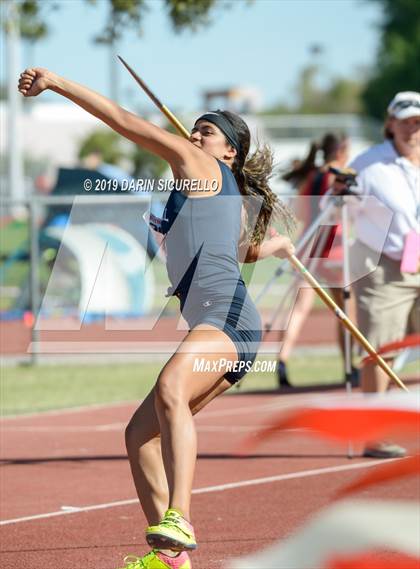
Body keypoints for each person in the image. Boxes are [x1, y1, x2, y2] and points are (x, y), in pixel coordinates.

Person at [18, 67, 295, 569]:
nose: (193, 136)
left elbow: (124, 122)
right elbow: (235, 250)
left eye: (205, 131)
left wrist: (58, 83)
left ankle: (179, 518)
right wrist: (274, 245)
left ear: (228, 150)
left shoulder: (201, 166)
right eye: (192, 129)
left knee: (171, 388)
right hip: (226, 325)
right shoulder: (214, 189)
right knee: (139, 435)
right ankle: (170, 560)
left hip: (226, 322)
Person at [349, 91, 420, 459]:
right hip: (384, 267)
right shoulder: (368, 163)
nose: (413, 128)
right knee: (379, 347)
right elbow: (338, 204)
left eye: (418, 122)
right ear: (390, 123)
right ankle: (374, 433)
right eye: (406, 121)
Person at [277, 133, 357, 387]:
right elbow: (347, 215)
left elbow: (300, 213)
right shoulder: (338, 179)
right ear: (342, 152)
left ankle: (282, 359)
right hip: (332, 247)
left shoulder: (309, 177)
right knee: (345, 311)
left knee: (299, 309)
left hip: (309, 245)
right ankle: (348, 367)